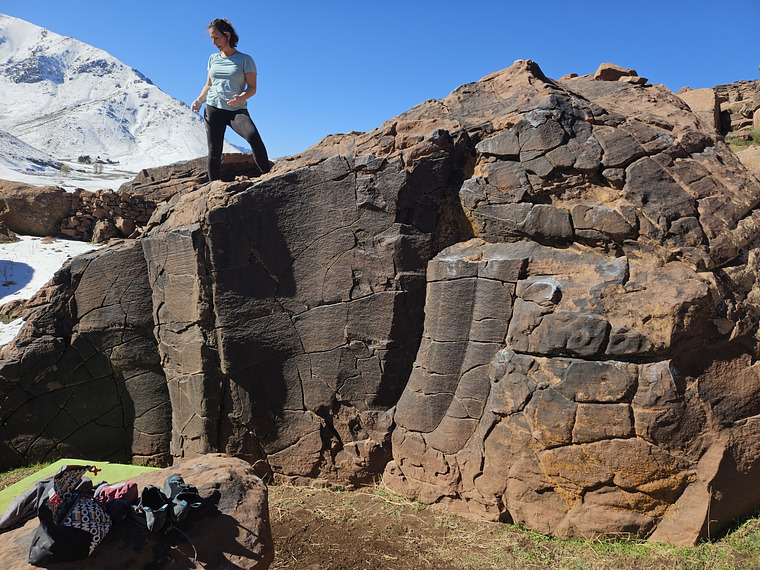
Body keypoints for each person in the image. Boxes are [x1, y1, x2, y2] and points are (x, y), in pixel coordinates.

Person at [191, 19, 270, 182]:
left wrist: (242, 97)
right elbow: (208, 84)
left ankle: (269, 176)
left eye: (216, 38)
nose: (213, 42)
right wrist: (199, 100)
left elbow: (252, 88)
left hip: (236, 110)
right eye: (212, 39)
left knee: (253, 136)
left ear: (227, 35)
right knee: (214, 150)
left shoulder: (245, 60)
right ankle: (214, 188)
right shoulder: (213, 59)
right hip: (213, 108)